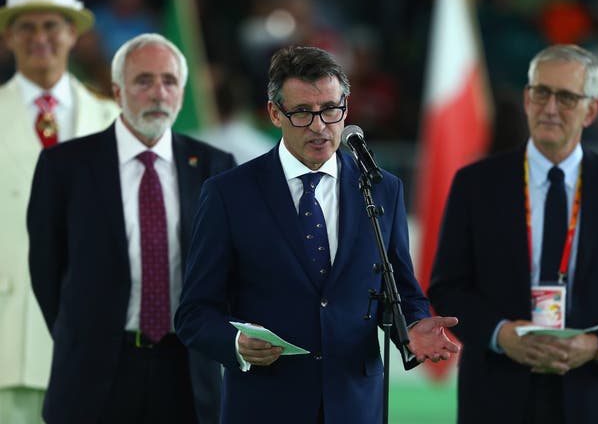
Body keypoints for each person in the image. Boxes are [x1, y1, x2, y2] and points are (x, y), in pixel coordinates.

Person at [175, 45, 460, 424]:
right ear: (275, 113)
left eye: (330, 109)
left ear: (346, 107)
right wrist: (236, 344)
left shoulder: (381, 188)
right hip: (265, 406)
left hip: (356, 406)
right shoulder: (229, 193)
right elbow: (194, 313)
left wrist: (414, 325)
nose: (319, 125)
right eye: (302, 112)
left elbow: (402, 290)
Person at [27, 33, 236, 424]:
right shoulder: (64, 167)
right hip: (94, 370)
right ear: (117, 90)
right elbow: (46, 269)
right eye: (144, 81)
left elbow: (227, 270)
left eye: (169, 81)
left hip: (188, 371)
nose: (158, 93)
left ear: (182, 91)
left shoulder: (214, 167)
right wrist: (84, 334)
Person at [428, 44, 598, 424]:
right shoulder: (475, 184)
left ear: (591, 110)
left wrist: (597, 345)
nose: (550, 107)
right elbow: (447, 287)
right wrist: (500, 334)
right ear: (527, 98)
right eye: (541, 92)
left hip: (594, 396)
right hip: (495, 394)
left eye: (567, 97)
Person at [0, 0, 120, 423]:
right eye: (26, 27)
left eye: (51, 25)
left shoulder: (114, 120)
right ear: (9, 36)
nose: (40, 38)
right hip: (6, 344)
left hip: (97, 341)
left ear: (73, 32)